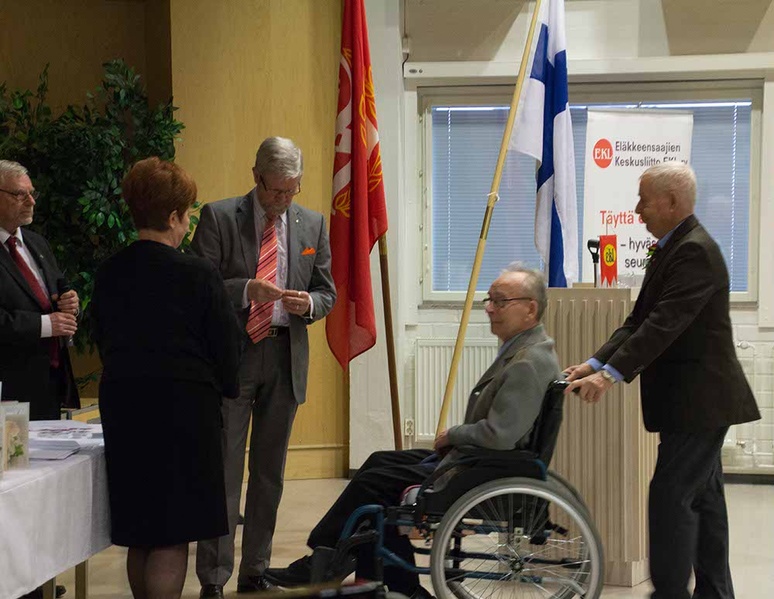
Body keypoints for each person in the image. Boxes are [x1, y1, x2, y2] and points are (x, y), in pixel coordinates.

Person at [265, 264, 560, 598]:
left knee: (375, 485)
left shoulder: (527, 363)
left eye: (500, 301)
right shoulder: (526, 350)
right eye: (489, 300)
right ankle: (362, 573)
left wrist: (454, 434)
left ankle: (329, 559)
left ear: (530, 309)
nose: (490, 308)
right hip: (480, 461)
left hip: (484, 468)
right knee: (379, 461)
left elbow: (500, 435)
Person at [565, 162, 760, 599]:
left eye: (644, 200)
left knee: (671, 497)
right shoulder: (674, 247)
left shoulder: (694, 251)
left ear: (671, 202)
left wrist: (610, 376)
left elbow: (664, 324)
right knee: (704, 502)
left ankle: (669, 593)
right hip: (692, 403)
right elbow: (638, 321)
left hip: (699, 403)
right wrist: (594, 364)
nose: (637, 210)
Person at [192, 137, 337, 598]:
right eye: (276, 190)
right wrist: (244, 290)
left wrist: (308, 303)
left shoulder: (312, 223)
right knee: (225, 470)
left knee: (269, 474)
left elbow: (328, 292)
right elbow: (197, 286)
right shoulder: (219, 217)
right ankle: (214, 577)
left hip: (284, 354)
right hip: (233, 357)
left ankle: (255, 570)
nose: (283, 200)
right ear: (257, 177)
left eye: (292, 190)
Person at [92, 157, 242, 599]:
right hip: (183, 411)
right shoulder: (198, 272)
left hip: (124, 407)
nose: (188, 222)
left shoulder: (109, 272)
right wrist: (227, 387)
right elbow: (225, 347)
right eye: (188, 213)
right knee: (172, 534)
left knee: (141, 530)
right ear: (174, 216)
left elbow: (102, 338)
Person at [0, 160, 80, 421]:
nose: (31, 202)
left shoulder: (37, 243)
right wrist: (46, 325)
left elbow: (55, 292)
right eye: (20, 194)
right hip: (8, 387)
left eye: (32, 193)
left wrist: (69, 303)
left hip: (49, 383)